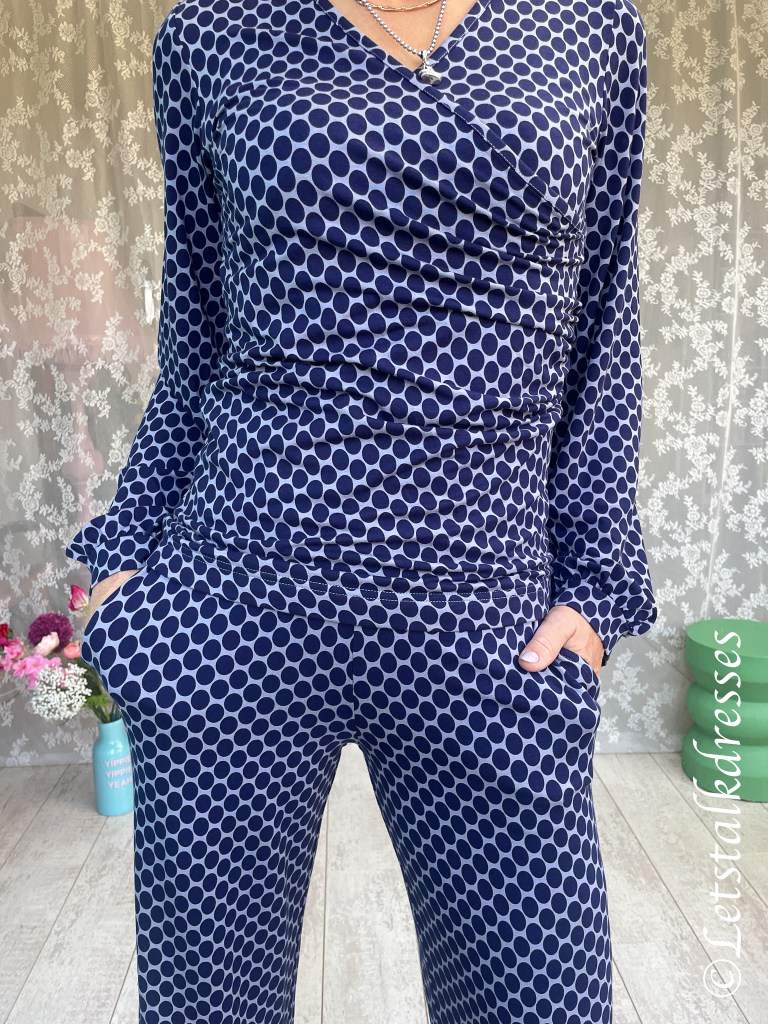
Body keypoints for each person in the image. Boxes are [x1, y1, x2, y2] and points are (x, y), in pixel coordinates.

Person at [66, 0, 658, 1021]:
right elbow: (197, 331)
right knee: (210, 1006)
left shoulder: (589, 28)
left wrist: (597, 587)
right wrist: (124, 565)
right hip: (234, 599)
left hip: (491, 615)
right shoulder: (213, 33)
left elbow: (602, 326)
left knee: (541, 998)